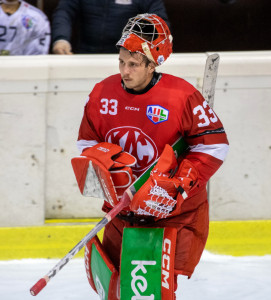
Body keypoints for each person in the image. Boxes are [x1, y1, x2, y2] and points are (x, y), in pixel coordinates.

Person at [73, 14, 229, 298]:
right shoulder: (101, 93)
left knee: (152, 291)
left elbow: (214, 146)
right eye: (121, 61)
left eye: (133, 64)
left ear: (153, 63)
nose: (124, 71)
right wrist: (102, 165)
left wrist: (178, 185)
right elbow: (86, 140)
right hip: (123, 211)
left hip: (172, 214)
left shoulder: (181, 96)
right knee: (116, 289)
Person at [51, 0, 169, 55]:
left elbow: (159, 23)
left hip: (128, 59)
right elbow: (64, 12)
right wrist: (61, 39)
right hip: (86, 56)